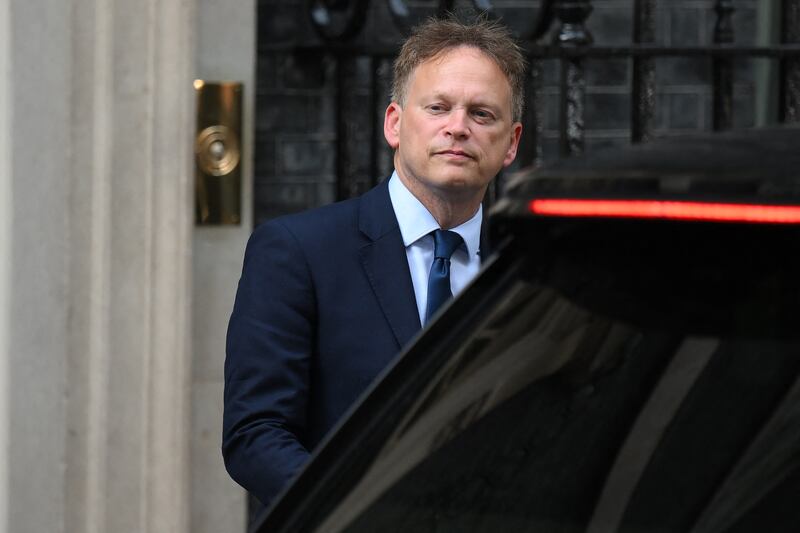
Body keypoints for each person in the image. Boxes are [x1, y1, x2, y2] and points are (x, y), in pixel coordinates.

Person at [222, 16, 525, 508]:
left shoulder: (526, 266)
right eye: (438, 107)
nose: (458, 127)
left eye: (482, 113)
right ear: (394, 124)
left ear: (511, 142)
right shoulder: (297, 251)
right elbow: (256, 434)